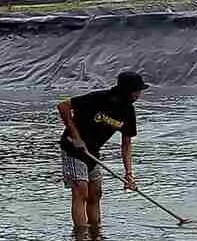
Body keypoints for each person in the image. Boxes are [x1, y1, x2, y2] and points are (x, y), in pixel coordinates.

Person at [57, 72, 147, 230]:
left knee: (95, 194)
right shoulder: (99, 98)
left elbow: (126, 143)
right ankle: (81, 238)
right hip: (73, 147)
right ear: (127, 90)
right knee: (81, 190)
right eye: (137, 90)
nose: (139, 94)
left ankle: (95, 234)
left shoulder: (128, 111)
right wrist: (76, 136)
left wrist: (129, 174)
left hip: (92, 152)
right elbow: (63, 106)